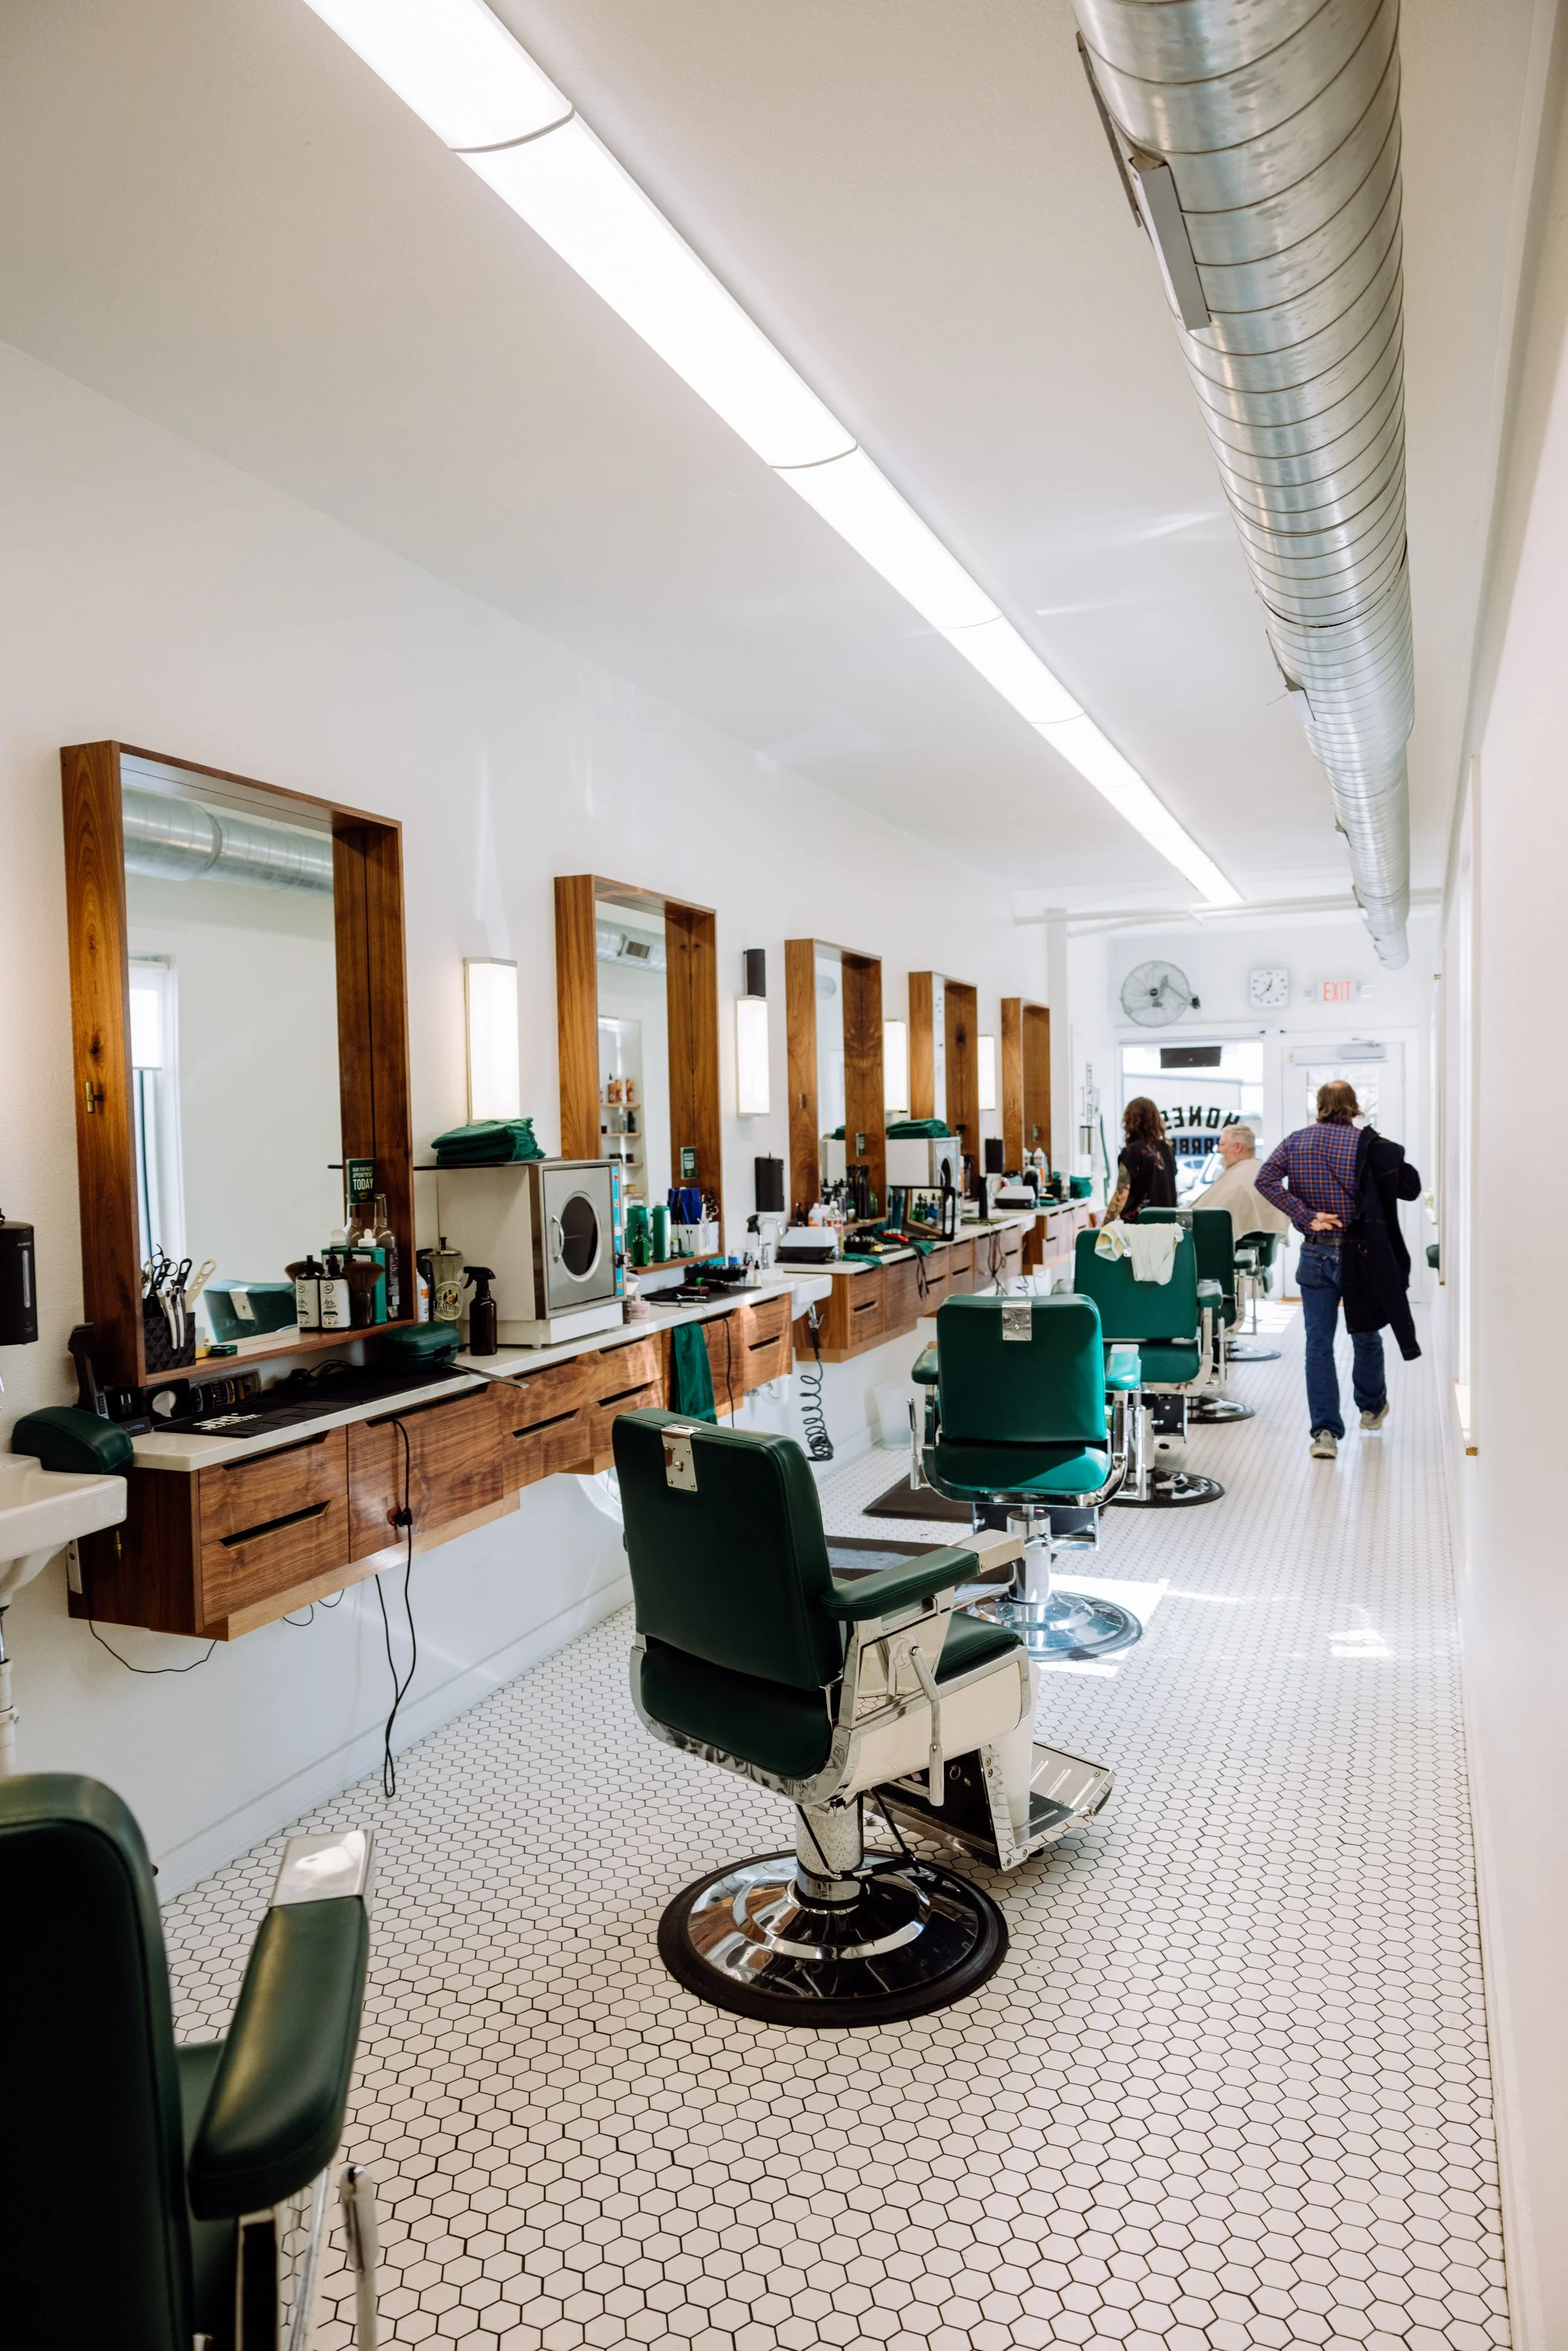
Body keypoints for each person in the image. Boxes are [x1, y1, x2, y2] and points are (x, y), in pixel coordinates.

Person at [1255, 1081, 1421, 1460]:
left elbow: (1264, 1180)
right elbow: (1408, 1187)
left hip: (1316, 1255)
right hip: (1361, 1255)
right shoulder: (1366, 1145)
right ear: (1354, 1106)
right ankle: (1371, 1407)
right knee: (1365, 1333)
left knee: (1318, 1344)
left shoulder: (1296, 1141)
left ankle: (1325, 1433)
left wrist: (1306, 1216)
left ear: (1320, 1106)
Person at [1198, 1123, 1291, 1241]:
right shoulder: (1257, 1171)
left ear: (1237, 1147)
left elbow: (1215, 1217)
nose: (1219, 1150)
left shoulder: (1242, 1177)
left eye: (1222, 1145)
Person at [1104, 1096, 1177, 1223]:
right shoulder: (1167, 1150)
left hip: (1140, 1225)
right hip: (1167, 1224)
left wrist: (1105, 1225)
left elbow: (1121, 1194)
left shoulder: (1131, 1153)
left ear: (1129, 1121)